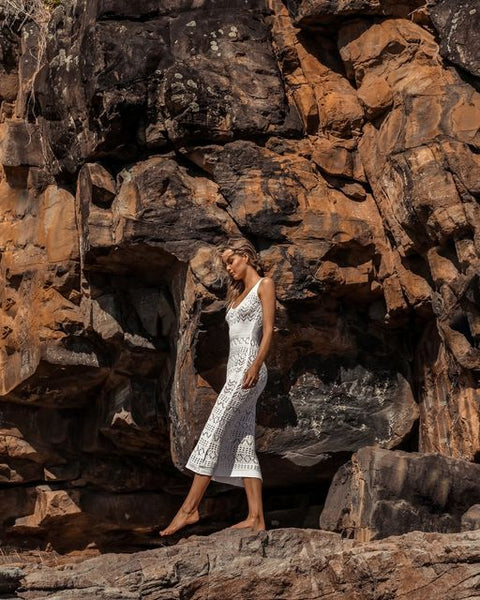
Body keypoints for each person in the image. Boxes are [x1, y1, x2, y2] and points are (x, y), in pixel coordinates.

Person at [160, 238, 276, 536]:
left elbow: (268, 332)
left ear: (246, 256)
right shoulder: (235, 296)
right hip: (235, 373)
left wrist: (255, 365)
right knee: (242, 439)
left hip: (249, 371)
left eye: (231, 261)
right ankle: (256, 518)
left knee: (213, 430)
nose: (228, 268)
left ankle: (189, 509)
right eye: (225, 263)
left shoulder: (265, 285)